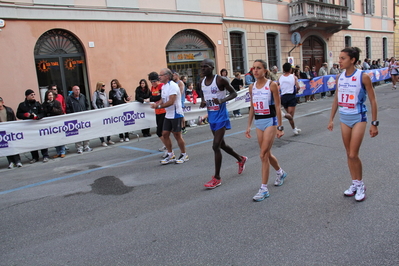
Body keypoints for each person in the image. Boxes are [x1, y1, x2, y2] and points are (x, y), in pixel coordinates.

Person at [327, 47, 378, 202]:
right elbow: (337, 98)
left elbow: (373, 100)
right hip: (344, 117)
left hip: (358, 117)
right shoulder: (339, 77)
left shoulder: (363, 76)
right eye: (340, 58)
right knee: (348, 153)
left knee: (353, 154)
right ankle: (354, 183)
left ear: (352, 60)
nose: (339, 61)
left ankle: (361, 184)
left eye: (343, 58)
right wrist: (331, 119)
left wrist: (374, 123)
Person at [198, 59, 247, 189]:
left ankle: (217, 178)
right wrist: (203, 101)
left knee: (215, 146)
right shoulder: (201, 81)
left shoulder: (220, 80)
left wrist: (222, 100)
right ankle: (241, 159)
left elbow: (234, 93)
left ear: (212, 67)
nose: (203, 69)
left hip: (221, 116)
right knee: (222, 144)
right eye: (201, 67)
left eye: (205, 66)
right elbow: (203, 94)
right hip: (212, 117)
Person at [245, 59, 286, 201]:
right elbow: (252, 107)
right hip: (259, 121)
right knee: (267, 154)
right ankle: (280, 172)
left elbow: (278, 107)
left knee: (262, 155)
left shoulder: (272, 85)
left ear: (265, 71)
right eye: (254, 68)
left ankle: (264, 189)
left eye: (259, 68)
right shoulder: (252, 87)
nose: (255, 70)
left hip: (270, 121)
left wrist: (280, 127)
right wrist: (249, 125)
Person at [150, 68, 188, 164]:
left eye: (161, 75)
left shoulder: (173, 86)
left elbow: (171, 101)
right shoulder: (164, 87)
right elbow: (163, 99)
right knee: (165, 134)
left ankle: (184, 154)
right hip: (168, 114)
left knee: (177, 135)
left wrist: (158, 106)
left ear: (167, 76)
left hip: (176, 113)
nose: (159, 77)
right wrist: (157, 104)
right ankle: (170, 154)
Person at [17, 89, 49, 163]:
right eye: (31, 95)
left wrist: (37, 117)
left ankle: (45, 155)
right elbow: (18, 115)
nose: (33, 96)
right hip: (28, 127)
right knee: (32, 142)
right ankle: (35, 157)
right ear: (27, 96)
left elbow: (43, 113)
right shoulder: (22, 105)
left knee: (42, 141)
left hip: (37, 126)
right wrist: (24, 115)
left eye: (34, 94)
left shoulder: (37, 104)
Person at [146, 72, 168, 158]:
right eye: (151, 81)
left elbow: (159, 97)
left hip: (163, 110)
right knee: (161, 132)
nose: (153, 83)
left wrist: (150, 99)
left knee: (160, 132)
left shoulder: (161, 86)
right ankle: (166, 145)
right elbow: (153, 96)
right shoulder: (152, 87)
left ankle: (168, 149)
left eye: (155, 81)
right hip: (157, 111)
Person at [66, 85, 92, 154]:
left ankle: (86, 146)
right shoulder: (69, 98)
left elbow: (87, 105)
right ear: (73, 90)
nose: (77, 91)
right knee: (77, 134)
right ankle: (79, 148)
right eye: (76, 90)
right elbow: (68, 108)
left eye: (78, 89)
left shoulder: (82, 96)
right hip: (75, 119)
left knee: (85, 132)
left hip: (83, 117)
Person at [278, 62, 301, 135]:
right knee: (290, 115)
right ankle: (283, 115)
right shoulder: (293, 77)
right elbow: (298, 87)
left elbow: (278, 87)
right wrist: (296, 91)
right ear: (290, 69)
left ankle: (294, 129)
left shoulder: (280, 78)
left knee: (290, 116)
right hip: (291, 96)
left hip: (283, 97)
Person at [42, 90, 66, 158]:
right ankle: (58, 152)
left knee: (60, 137)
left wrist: (52, 109)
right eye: (49, 95)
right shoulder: (44, 104)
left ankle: (62, 151)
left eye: (51, 95)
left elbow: (60, 111)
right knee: (55, 138)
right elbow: (44, 113)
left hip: (57, 122)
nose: (51, 96)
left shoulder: (57, 103)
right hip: (50, 123)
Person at [0, 96, 22, 168]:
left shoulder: (9, 110)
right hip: (2, 132)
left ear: (2, 102)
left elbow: (14, 120)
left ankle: (17, 161)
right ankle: (11, 161)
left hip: (10, 131)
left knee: (13, 146)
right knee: (6, 147)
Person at [92, 81, 115, 146]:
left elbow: (107, 100)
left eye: (104, 85)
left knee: (108, 125)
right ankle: (102, 141)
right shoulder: (96, 93)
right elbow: (93, 102)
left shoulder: (105, 93)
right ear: (99, 86)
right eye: (103, 85)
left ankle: (108, 139)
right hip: (100, 111)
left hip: (106, 111)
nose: (104, 87)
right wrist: (97, 110)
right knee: (101, 127)